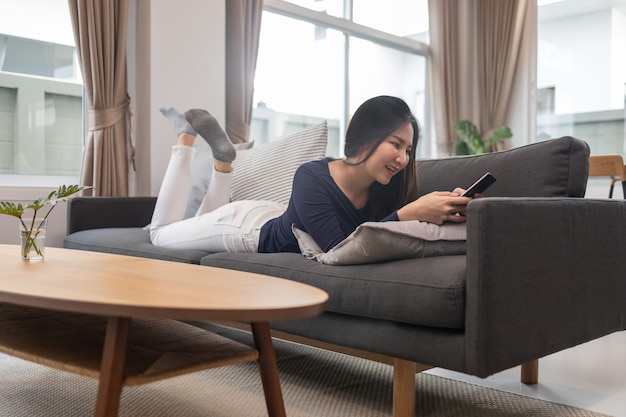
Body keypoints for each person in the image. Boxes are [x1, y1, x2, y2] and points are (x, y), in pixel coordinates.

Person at [151, 96, 472, 254]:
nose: (403, 158)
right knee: (160, 234)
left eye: (409, 151)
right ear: (367, 136)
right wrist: (408, 215)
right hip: (245, 227)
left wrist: (449, 205)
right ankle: (185, 138)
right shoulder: (312, 176)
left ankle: (223, 165)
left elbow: (391, 231)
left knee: (193, 226)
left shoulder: (386, 188)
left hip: (278, 215)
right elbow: (339, 249)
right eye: (396, 144)